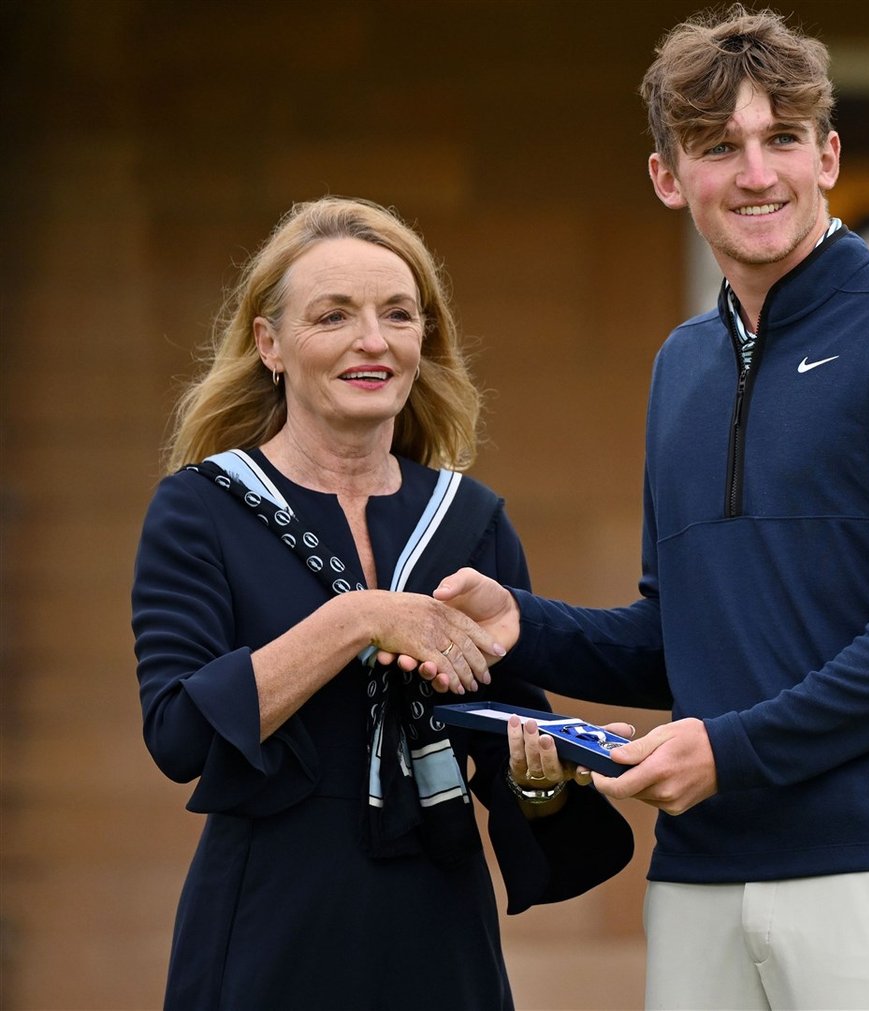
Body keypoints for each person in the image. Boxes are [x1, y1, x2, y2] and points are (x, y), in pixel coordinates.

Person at [420, 6, 869, 1007]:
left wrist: (728, 751)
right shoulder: (681, 366)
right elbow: (680, 637)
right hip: (701, 885)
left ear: (827, 155)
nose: (754, 173)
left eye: (781, 138)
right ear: (666, 176)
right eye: (716, 147)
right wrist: (527, 630)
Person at [132, 196, 634, 1010]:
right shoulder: (200, 508)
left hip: (438, 933)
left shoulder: (470, 519)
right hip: (267, 931)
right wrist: (361, 615)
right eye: (334, 316)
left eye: (398, 314)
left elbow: (507, 738)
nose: (373, 340)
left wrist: (552, 773)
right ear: (271, 344)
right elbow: (179, 731)